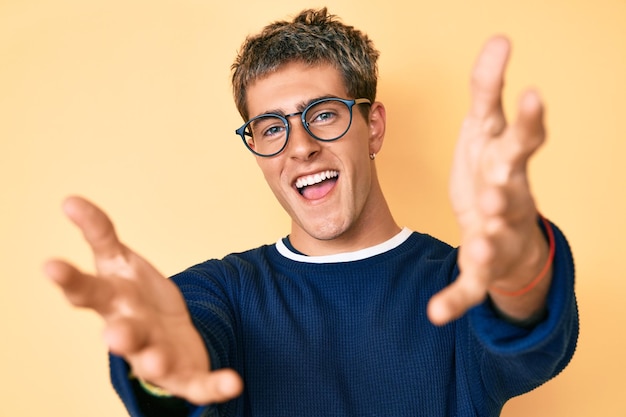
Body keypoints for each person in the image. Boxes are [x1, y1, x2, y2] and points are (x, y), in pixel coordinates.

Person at [45, 7, 578, 417]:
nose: (298, 147)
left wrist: (521, 261)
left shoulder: (459, 285)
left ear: (374, 127)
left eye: (323, 114)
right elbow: (181, 354)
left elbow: (524, 326)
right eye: (272, 127)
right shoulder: (222, 294)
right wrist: (164, 376)